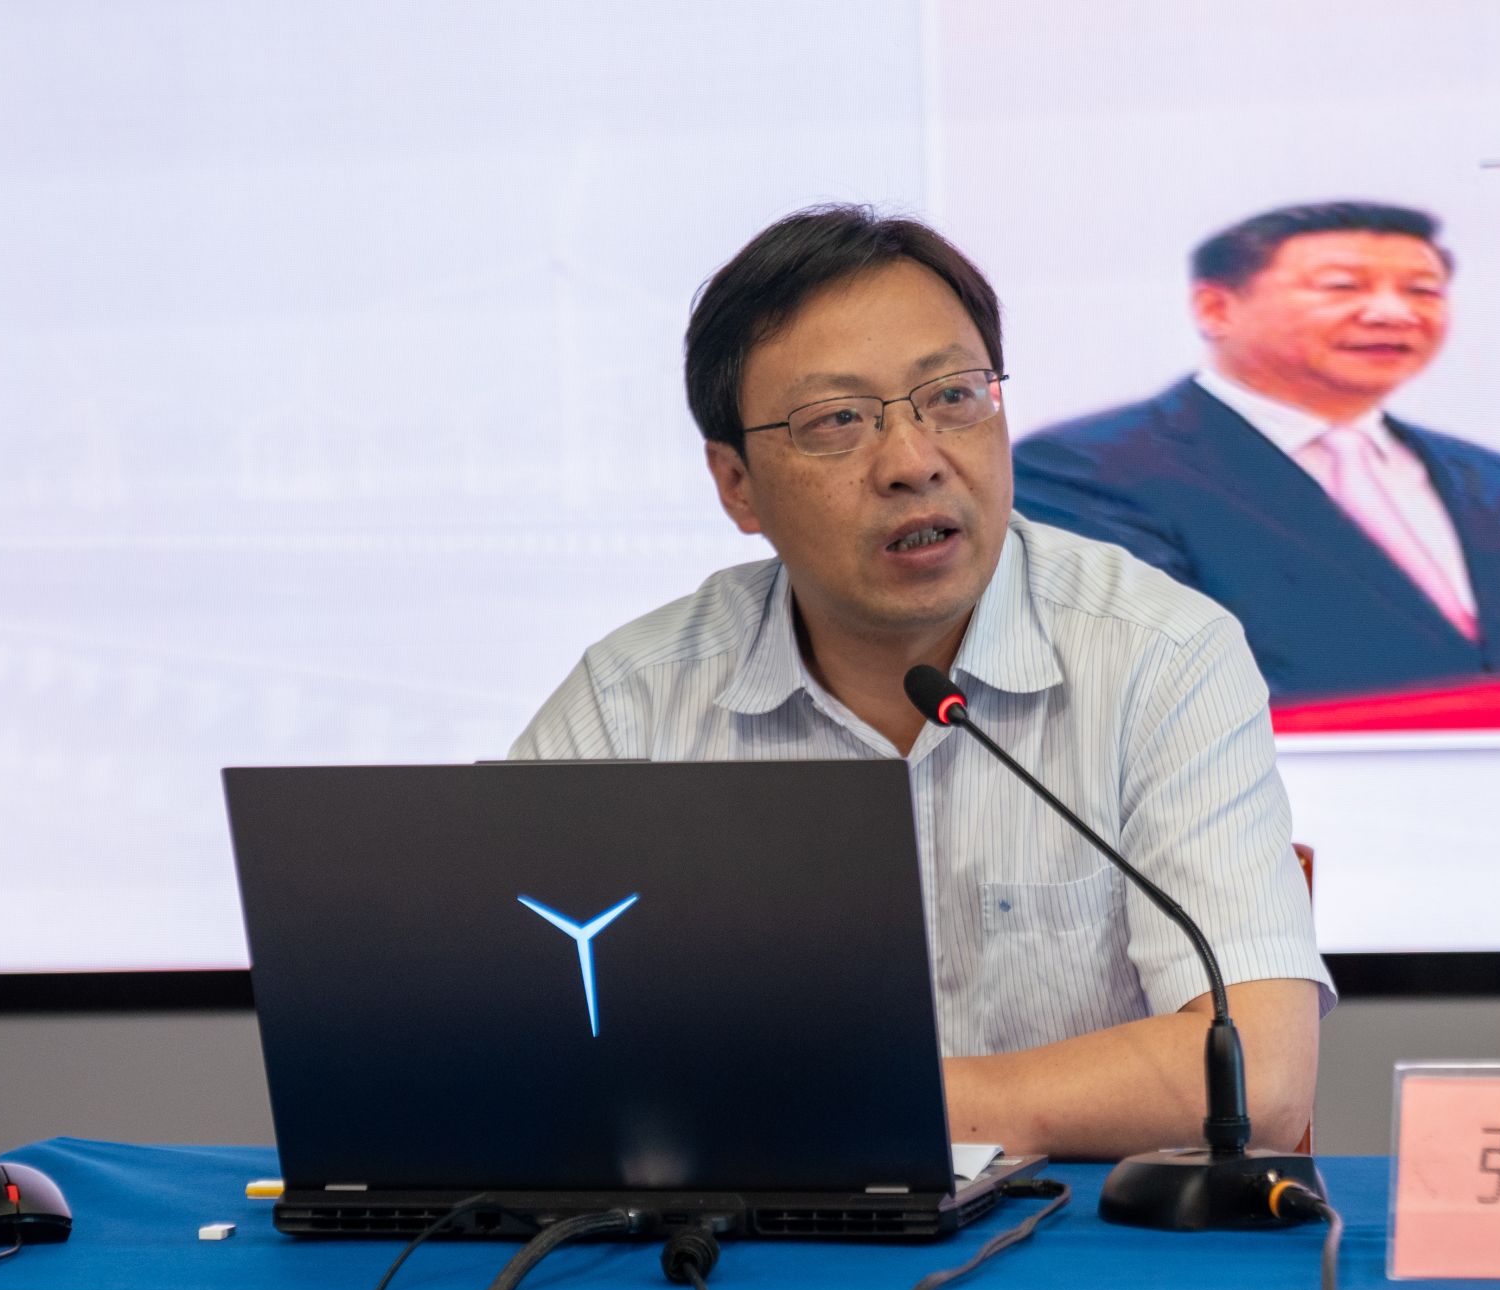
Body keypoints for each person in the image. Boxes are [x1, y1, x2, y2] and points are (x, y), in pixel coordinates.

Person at [511, 206, 1332, 1160]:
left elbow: (1260, 1077)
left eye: (952, 396)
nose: (912, 462)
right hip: (746, 1245)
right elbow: (495, 1042)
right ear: (736, 484)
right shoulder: (633, 701)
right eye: (837, 421)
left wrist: (848, 1108)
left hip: (1076, 1241)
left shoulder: (1160, 654)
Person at [1013, 201, 1500, 700]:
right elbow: (1157, 677)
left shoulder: (1488, 477)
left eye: (1424, 291)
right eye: (1343, 286)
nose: (1393, 313)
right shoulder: (1088, 469)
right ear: (1216, 307)